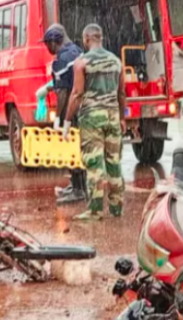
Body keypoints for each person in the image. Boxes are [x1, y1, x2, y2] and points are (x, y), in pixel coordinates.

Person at [64, 24, 126, 221]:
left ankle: (95, 210)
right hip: (113, 116)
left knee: (94, 163)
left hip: (92, 118)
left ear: (86, 39)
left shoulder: (81, 63)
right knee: (114, 161)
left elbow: (77, 94)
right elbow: (122, 93)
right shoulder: (117, 62)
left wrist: (66, 120)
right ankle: (117, 207)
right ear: (100, 38)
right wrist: (123, 118)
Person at [41, 24, 87, 205]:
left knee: (71, 146)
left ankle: (78, 190)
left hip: (73, 110)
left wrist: (59, 118)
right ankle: (78, 185)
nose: (46, 48)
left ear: (54, 42)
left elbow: (63, 92)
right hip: (84, 107)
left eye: (47, 44)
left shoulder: (62, 59)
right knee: (79, 147)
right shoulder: (76, 50)